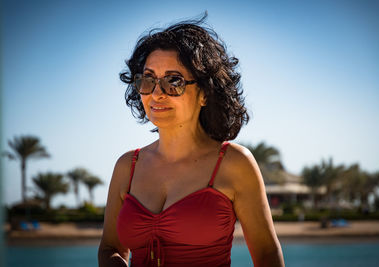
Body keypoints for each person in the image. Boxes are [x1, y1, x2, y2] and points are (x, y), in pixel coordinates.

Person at [98, 15, 285, 267]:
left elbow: (267, 257)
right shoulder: (126, 166)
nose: (156, 93)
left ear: (205, 93)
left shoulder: (235, 163)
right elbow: (110, 248)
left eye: (173, 81)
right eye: (148, 79)